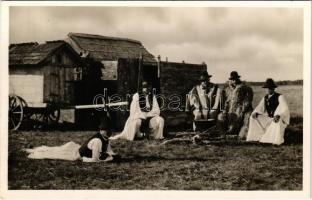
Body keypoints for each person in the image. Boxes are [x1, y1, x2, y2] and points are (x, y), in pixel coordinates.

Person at [25, 118, 117, 162]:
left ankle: (35, 149)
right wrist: (109, 159)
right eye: (106, 130)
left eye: (110, 130)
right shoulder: (98, 141)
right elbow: (94, 160)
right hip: (74, 153)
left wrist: (113, 156)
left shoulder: (106, 139)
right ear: (101, 130)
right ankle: (34, 152)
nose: (109, 132)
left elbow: (110, 151)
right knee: (53, 153)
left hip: (76, 147)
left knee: (54, 149)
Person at [246, 78, 290, 145]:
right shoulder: (265, 97)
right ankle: (256, 137)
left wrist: (279, 115)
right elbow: (260, 107)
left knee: (277, 122)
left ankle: (272, 140)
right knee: (253, 118)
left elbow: (285, 108)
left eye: (270, 88)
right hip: (269, 118)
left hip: (277, 119)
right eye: (267, 88)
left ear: (273, 88)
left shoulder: (280, 96)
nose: (268, 90)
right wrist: (256, 112)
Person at [219, 71, 253, 138]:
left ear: (238, 79)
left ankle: (236, 132)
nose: (233, 81)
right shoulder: (228, 89)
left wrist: (242, 111)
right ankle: (224, 132)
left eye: (235, 79)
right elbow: (227, 102)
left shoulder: (244, 88)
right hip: (232, 110)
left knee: (237, 119)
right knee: (221, 117)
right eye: (232, 79)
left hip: (240, 109)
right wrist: (225, 110)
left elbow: (247, 101)